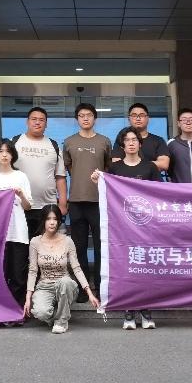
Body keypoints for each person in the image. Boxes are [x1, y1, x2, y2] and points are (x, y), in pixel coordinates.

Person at [91, 127, 159, 330]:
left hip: (146, 227)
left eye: (134, 139)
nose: (131, 143)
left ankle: (146, 310)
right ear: (122, 145)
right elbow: (108, 193)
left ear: (140, 143)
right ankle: (128, 310)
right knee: (127, 268)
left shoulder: (150, 167)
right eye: (127, 140)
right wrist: (98, 181)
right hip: (122, 227)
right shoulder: (115, 169)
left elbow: (159, 193)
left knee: (145, 269)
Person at [62, 103, 112, 302]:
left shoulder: (104, 141)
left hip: (99, 202)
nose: (85, 118)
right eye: (81, 115)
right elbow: (68, 168)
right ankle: (83, 290)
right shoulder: (69, 142)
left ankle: (100, 287)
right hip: (76, 201)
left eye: (89, 115)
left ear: (95, 118)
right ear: (77, 119)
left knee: (101, 247)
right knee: (79, 247)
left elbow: (108, 169)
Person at [24, 205, 99, 334]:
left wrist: (90, 293)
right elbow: (32, 271)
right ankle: (60, 315)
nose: (52, 222)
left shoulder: (67, 241)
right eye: (48, 219)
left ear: (59, 221)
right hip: (44, 286)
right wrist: (28, 298)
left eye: (55, 219)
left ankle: (61, 322)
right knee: (40, 313)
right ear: (43, 221)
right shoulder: (35, 242)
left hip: (65, 286)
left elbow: (76, 268)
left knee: (65, 282)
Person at [0, 138, 33, 317]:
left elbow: (28, 206)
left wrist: (21, 194)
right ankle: (0, 312)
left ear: (13, 155)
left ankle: (17, 312)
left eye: (8, 151)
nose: (4, 155)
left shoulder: (21, 176)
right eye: (1, 151)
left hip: (18, 233)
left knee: (18, 275)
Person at [12, 106, 67, 239]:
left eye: (41, 120)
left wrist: (62, 204)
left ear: (46, 124)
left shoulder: (53, 145)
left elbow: (60, 177)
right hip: (19, 206)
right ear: (27, 122)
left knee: (45, 246)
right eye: (34, 119)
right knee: (21, 246)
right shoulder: (14, 142)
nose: (37, 122)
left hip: (47, 206)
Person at [112, 102, 169, 173]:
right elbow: (116, 163)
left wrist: (135, 164)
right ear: (129, 119)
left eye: (141, 115)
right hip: (127, 179)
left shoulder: (158, 140)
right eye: (134, 115)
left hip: (151, 179)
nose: (138, 118)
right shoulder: (122, 139)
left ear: (148, 118)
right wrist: (146, 166)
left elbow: (164, 164)